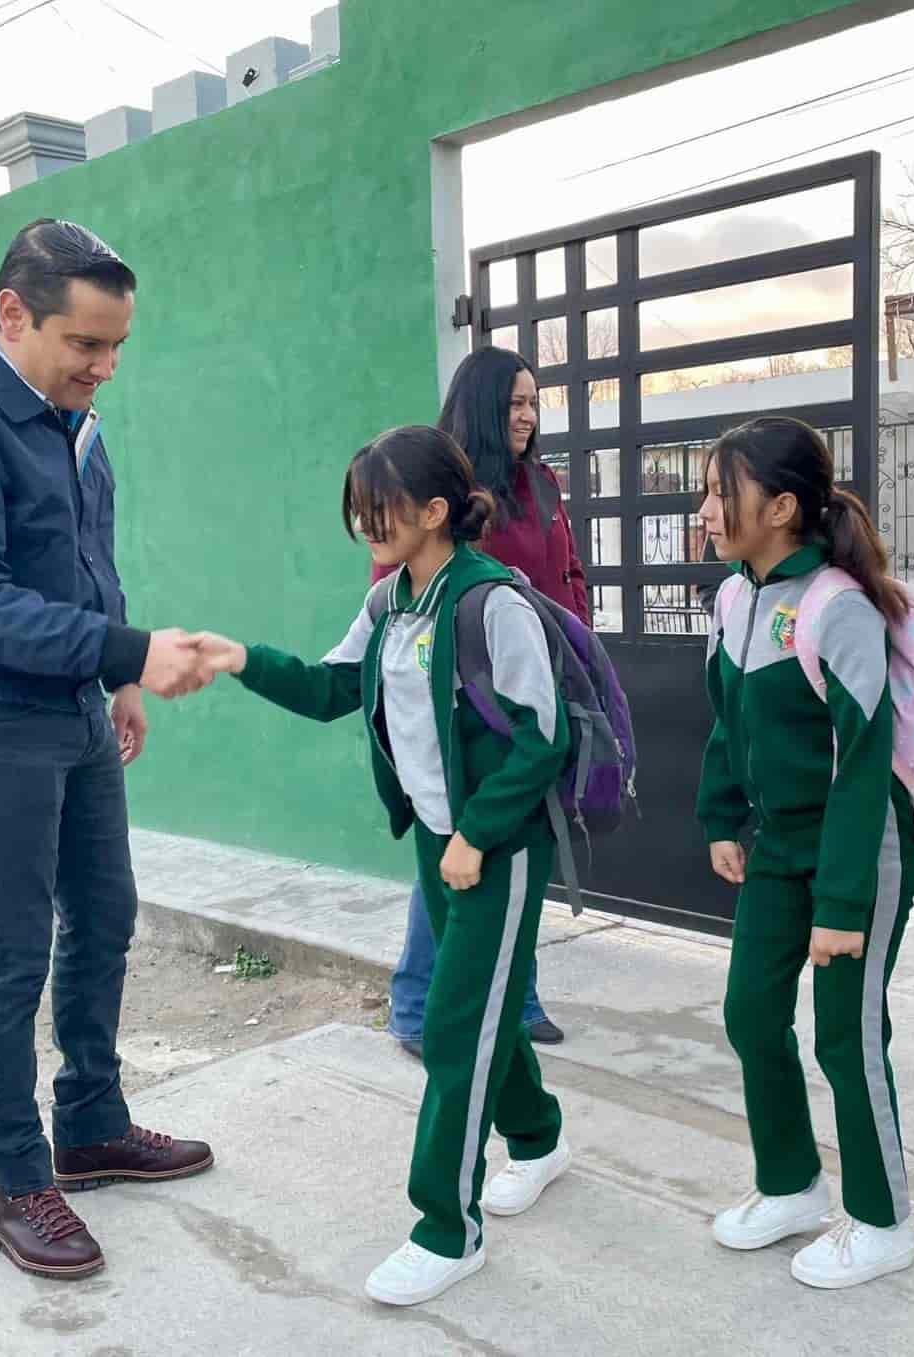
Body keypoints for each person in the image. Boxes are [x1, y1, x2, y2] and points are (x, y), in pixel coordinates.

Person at [0, 219, 215, 1282]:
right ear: (13, 315)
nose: (103, 368)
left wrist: (114, 676)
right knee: (12, 952)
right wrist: (123, 649)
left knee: (104, 915)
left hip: (69, 706)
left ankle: (92, 1124)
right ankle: (17, 1178)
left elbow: (84, 560)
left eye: (117, 348)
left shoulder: (72, 422)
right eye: (85, 345)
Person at [196, 425, 573, 1306]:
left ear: (436, 511)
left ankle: (448, 1227)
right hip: (438, 841)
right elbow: (333, 689)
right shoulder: (390, 604)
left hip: (500, 847)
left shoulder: (490, 604)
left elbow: (541, 738)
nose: (366, 523)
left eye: (382, 508)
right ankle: (541, 1136)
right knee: (480, 1016)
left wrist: (479, 836)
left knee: (452, 1029)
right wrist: (240, 659)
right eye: (358, 509)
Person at [697, 416, 914, 1290]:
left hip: (856, 852)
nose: (708, 507)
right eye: (709, 490)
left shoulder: (837, 606)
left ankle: (882, 1219)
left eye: (724, 490)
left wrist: (841, 904)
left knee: (846, 1038)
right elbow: (728, 720)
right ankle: (791, 1183)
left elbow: (865, 767)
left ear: (782, 505)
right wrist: (721, 817)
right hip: (778, 846)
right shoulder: (732, 597)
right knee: (752, 1015)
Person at [382, 348, 585, 1056]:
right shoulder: (445, 486)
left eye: (534, 401)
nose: (527, 415)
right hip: (465, 705)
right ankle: (414, 1005)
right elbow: (398, 580)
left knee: (518, 847)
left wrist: (576, 648)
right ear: (481, 406)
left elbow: (567, 571)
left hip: (536, 692)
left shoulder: (542, 484)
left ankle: (516, 997)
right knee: (456, 847)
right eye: (513, 403)